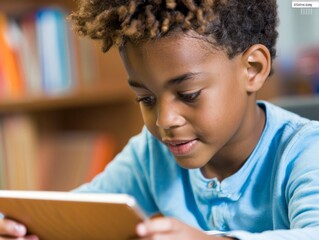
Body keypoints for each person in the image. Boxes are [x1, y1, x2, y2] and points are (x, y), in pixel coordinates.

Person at [1, 0, 319, 239]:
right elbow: (77, 213)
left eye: (189, 94)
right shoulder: (151, 156)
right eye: (146, 99)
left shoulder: (305, 151)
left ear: (252, 68)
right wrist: (25, 225)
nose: (164, 120)